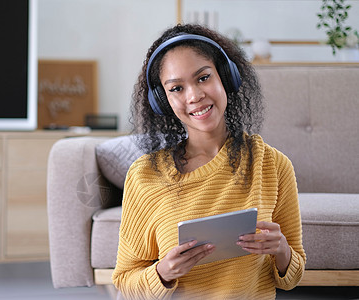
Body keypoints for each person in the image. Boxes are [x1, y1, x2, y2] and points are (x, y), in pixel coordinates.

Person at [112, 23, 306, 300]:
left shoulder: (273, 165)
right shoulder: (144, 175)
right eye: (177, 88)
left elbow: (293, 277)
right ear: (163, 101)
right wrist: (163, 273)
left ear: (226, 77)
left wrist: (283, 250)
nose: (194, 96)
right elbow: (125, 281)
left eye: (203, 78)